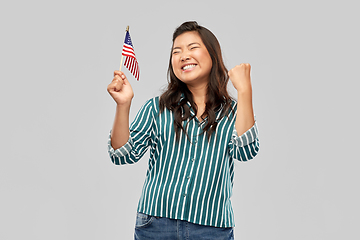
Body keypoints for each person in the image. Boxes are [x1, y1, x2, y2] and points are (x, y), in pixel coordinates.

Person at [107, 21, 260, 240]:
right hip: (156, 224)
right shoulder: (156, 108)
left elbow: (246, 151)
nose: (183, 55)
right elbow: (122, 155)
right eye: (176, 51)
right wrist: (123, 105)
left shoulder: (232, 112)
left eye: (192, 47)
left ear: (213, 55)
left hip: (212, 227)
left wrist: (245, 91)